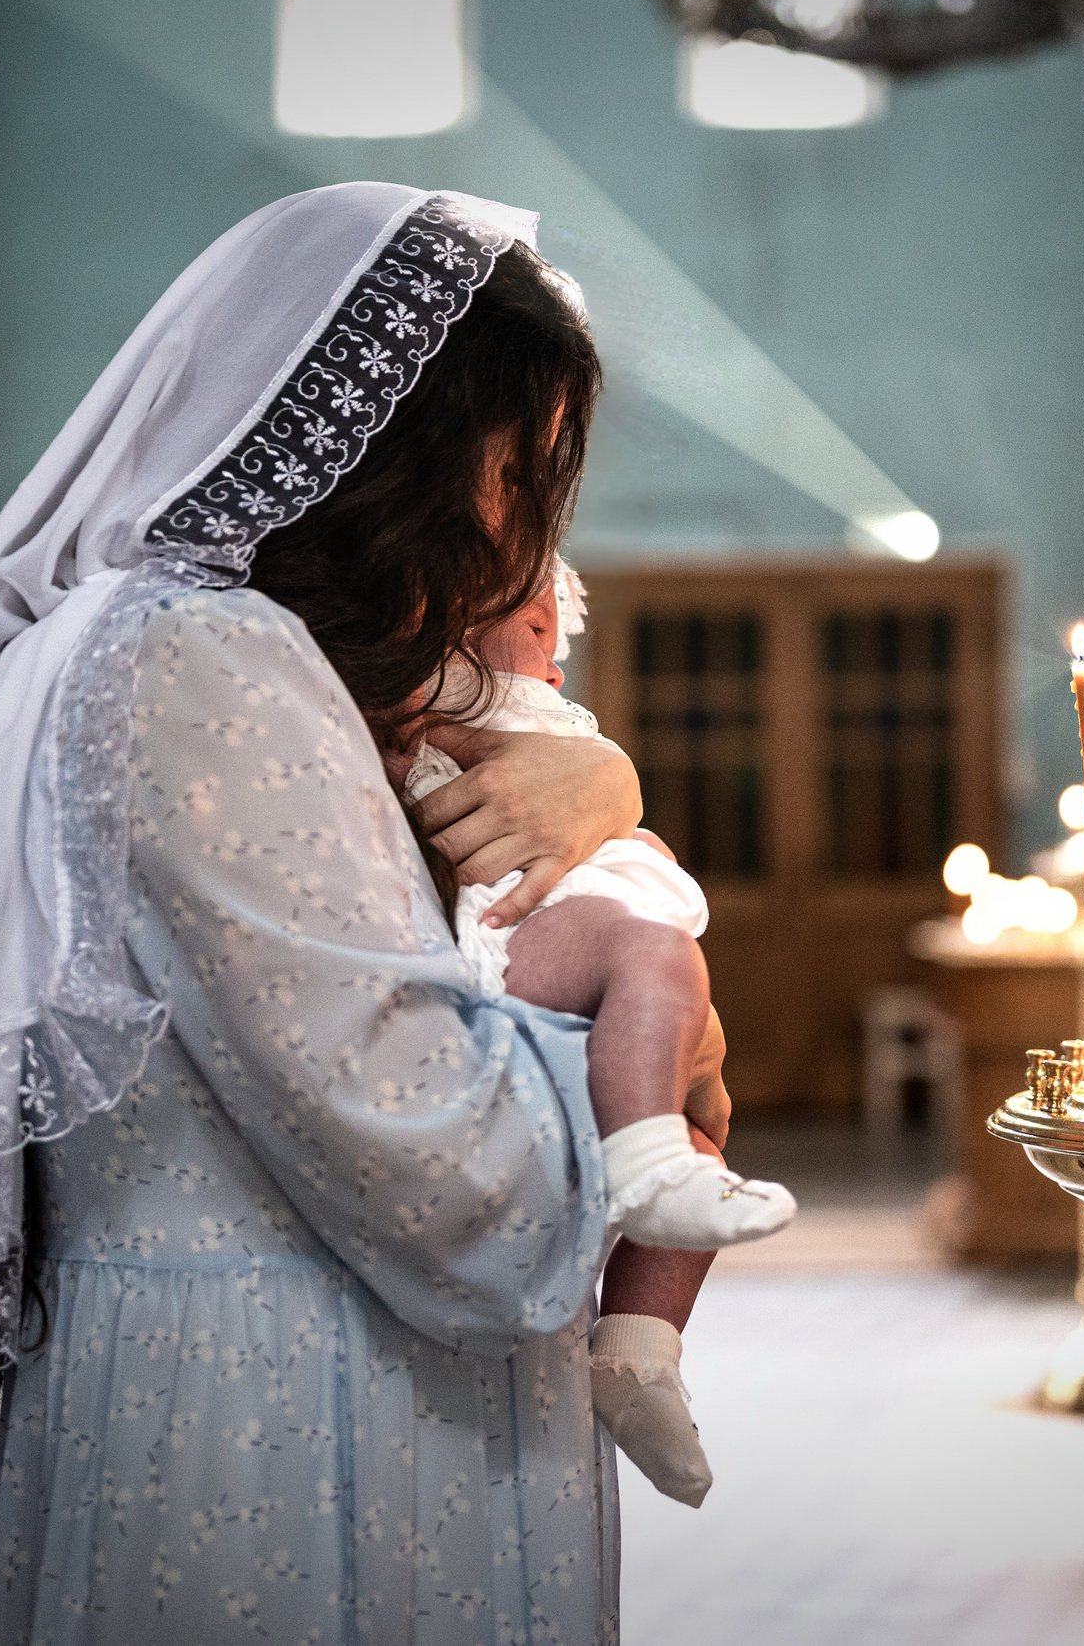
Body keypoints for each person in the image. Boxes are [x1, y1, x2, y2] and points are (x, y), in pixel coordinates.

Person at [0, 184, 716, 1646]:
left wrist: (602, 797)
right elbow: (456, 1177)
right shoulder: (206, 658)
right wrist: (657, 1048)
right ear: (401, 455)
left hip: (290, 1377)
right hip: (285, 1426)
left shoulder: (239, 656)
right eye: (513, 466)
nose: (520, 527)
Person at [399, 567, 793, 1508]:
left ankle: (640, 1355)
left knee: (705, 1140)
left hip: (572, 936)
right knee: (658, 959)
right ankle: (645, 1164)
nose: (555, 658)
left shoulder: (540, 716)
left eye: (557, 636)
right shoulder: (442, 699)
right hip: (516, 931)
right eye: (535, 628)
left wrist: (619, 808)